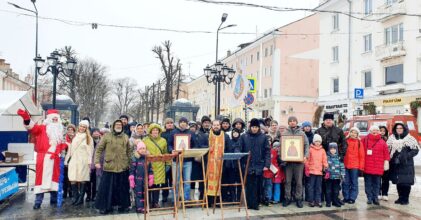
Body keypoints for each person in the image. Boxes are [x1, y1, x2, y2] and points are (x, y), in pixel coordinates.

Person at [17, 109, 67, 210]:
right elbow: (32, 127)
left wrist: (63, 147)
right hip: (43, 158)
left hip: (55, 158)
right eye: (53, 118)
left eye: (56, 119)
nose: (55, 120)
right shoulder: (42, 128)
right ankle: (38, 201)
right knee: (40, 179)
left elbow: (62, 144)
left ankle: (54, 199)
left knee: (55, 179)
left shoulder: (60, 131)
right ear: (48, 119)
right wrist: (26, 118)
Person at [95, 120, 131, 214]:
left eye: (120, 124)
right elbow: (99, 149)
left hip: (122, 166)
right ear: (113, 126)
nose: (119, 126)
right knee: (106, 188)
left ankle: (123, 205)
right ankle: (105, 207)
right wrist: (97, 162)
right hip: (109, 166)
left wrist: (130, 163)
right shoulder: (107, 136)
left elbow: (129, 151)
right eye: (117, 124)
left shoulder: (126, 137)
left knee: (122, 188)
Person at [239, 118, 271, 210]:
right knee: (249, 185)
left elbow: (267, 152)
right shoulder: (244, 137)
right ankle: (249, 204)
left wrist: (266, 165)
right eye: (253, 127)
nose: (254, 129)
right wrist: (241, 161)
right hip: (248, 165)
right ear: (250, 127)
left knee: (258, 185)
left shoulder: (263, 137)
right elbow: (239, 148)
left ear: (258, 128)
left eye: (256, 127)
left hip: (259, 165)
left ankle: (256, 204)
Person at [387, 123, 420, 205]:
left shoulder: (410, 138)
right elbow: (387, 148)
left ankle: (405, 199)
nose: (399, 129)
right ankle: (400, 197)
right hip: (395, 163)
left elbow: (415, 150)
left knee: (406, 182)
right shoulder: (391, 138)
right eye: (397, 128)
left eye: (400, 128)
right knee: (398, 182)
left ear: (404, 129)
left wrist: (406, 156)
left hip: (406, 164)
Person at [281, 116, 309, 208]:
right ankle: (287, 198)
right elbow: (281, 147)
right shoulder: (285, 133)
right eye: (290, 121)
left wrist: (305, 156)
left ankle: (298, 199)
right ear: (288, 123)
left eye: (294, 121)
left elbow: (306, 145)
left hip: (299, 162)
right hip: (288, 162)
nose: (292, 122)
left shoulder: (302, 133)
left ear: (297, 122)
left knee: (299, 182)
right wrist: (282, 156)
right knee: (288, 181)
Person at [168, 117, 198, 201]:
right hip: (176, 160)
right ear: (179, 123)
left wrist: (190, 151)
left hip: (187, 160)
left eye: (185, 122)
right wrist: (172, 150)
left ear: (187, 123)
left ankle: (186, 198)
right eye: (181, 122)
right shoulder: (173, 132)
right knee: (176, 181)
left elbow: (195, 145)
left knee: (187, 181)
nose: (183, 123)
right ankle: (175, 198)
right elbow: (169, 144)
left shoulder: (191, 133)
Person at [65, 120, 94, 206]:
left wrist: (89, 162)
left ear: (86, 128)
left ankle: (80, 199)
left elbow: (90, 151)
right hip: (74, 161)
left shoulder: (89, 138)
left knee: (82, 179)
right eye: (81, 126)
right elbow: (70, 150)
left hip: (83, 161)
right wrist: (67, 161)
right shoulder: (74, 136)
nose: (82, 128)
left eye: (84, 127)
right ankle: (76, 197)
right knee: (73, 179)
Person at [141, 123, 169, 208]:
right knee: (149, 184)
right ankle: (148, 202)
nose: (155, 131)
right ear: (150, 131)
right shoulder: (145, 140)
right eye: (153, 130)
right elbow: (141, 150)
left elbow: (165, 152)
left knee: (157, 185)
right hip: (149, 165)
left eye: (157, 130)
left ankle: (155, 202)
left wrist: (168, 164)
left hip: (160, 165)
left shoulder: (163, 140)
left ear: (159, 131)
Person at [362, 125, 390, 205]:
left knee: (377, 184)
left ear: (379, 132)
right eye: (373, 130)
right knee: (368, 184)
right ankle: (369, 198)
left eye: (377, 130)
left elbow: (386, 154)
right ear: (370, 131)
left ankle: (375, 198)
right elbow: (360, 152)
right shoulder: (365, 140)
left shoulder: (382, 142)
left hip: (378, 167)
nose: (375, 132)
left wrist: (386, 162)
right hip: (367, 166)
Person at [207, 120, 232, 203]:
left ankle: (219, 201)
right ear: (212, 126)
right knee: (209, 182)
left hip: (222, 163)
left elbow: (229, 149)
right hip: (209, 163)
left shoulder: (225, 136)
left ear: (220, 126)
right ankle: (210, 201)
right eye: (214, 125)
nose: (216, 126)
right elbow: (202, 146)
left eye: (218, 125)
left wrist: (227, 162)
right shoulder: (207, 135)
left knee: (222, 182)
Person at [129, 141, 153, 213]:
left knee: (145, 193)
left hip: (145, 179)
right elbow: (132, 169)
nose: (142, 150)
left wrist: (151, 177)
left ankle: (145, 206)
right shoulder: (135, 158)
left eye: (144, 148)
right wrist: (131, 179)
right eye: (141, 148)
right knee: (138, 194)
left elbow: (150, 169)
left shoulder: (147, 158)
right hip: (137, 180)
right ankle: (139, 207)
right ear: (138, 150)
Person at [342, 127, 365, 204]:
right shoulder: (345, 141)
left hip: (355, 166)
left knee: (354, 182)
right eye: (352, 132)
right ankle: (346, 197)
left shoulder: (359, 143)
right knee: (345, 182)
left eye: (355, 133)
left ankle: (352, 198)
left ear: (357, 135)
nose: (353, 134)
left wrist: (361, 167)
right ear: (349, 133)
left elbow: (362, 156)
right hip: (346, 165)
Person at [305, 134, 328, 208]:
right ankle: (311, 200)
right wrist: (307, 168)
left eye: (319, 141)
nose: (317, 143)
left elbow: (324, 160)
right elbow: (307, 160)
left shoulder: (322, 150)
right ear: (314, 142)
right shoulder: (310, 149)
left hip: (319, 172)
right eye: (316, 141)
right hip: (312, 171)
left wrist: (326, 168)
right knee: (311, 187)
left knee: (318, 187)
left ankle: (318, 200)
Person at [195, 115, 212, 200]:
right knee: (202, 178)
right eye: (205, 122)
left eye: (208, 122)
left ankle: (209, 197)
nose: (206, 124)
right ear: (202, 124)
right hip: (202, 159)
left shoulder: (211, 132)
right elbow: (198, 145)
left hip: (211, 159)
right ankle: (202, 197)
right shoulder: (198, 133)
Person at [325, 143, 345, 207]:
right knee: (328, 190)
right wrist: (326, 171)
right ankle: (328, 202)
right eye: (331, 149)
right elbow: (325, 166)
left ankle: (335, 201)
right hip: (329, 177)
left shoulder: (339, 158)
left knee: (336, 190)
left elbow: (342, 167)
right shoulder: (326, 157)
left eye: (334, 149)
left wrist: (342, 175)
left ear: (336, 149)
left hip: (337, 177)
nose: (332, 150)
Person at [161, 118, 175, 203]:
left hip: (174, 159)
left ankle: (174, 196)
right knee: (165, 180)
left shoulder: (176, 133)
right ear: (165, 124)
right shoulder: (162, 134)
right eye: (168, 123)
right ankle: (164, 195)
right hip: (165, 159)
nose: (169, 124)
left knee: (173, 179)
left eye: (171, 123)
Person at [86, 128, 101, 202]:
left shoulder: (101, 141)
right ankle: (88, 195)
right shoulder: (89, 141)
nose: (96, 133)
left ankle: (94, 195)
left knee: (95, 181)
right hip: (89, 162)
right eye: (94, 132)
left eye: (97, 132)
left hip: (97, 163)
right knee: (88, 181)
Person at [63, 124, 76, 199]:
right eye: (69, 130)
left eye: (72, 130)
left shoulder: (76, 139)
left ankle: (71, 192)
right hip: (66, 161)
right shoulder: (64, 139)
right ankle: (65, 192)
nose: (70, 131)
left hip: (74, 161)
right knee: (65, 177)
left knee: (72, 177)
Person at [302, 121, 313, 202]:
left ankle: (308, 197)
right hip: (301, 159)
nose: (307, 127)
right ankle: (300, 196)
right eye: (305, 126)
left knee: (308, 180)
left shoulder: (313, 136)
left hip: (310, 160)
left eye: (308, 126)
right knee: (301, 179)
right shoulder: (301, 135)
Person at [271, 140, 284, 204]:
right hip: (271, 172)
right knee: (271, 186)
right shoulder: (271, 154)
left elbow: (283, 163)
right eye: (274, 146)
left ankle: (277, 198)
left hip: (278, 173)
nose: (276, 148)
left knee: (277, 186)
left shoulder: (281, 155)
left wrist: (281, 165)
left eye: (278, 147)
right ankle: (270, 198)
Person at [379, 125, 390, 201]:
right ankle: (378, 193)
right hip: (378, 161)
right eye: (381, 130)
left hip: (386, 161)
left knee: (386, 179)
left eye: (384, 131)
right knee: (377, 179)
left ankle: (385, 194)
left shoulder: (389, 140)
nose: (382, 132)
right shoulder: (376, 139)